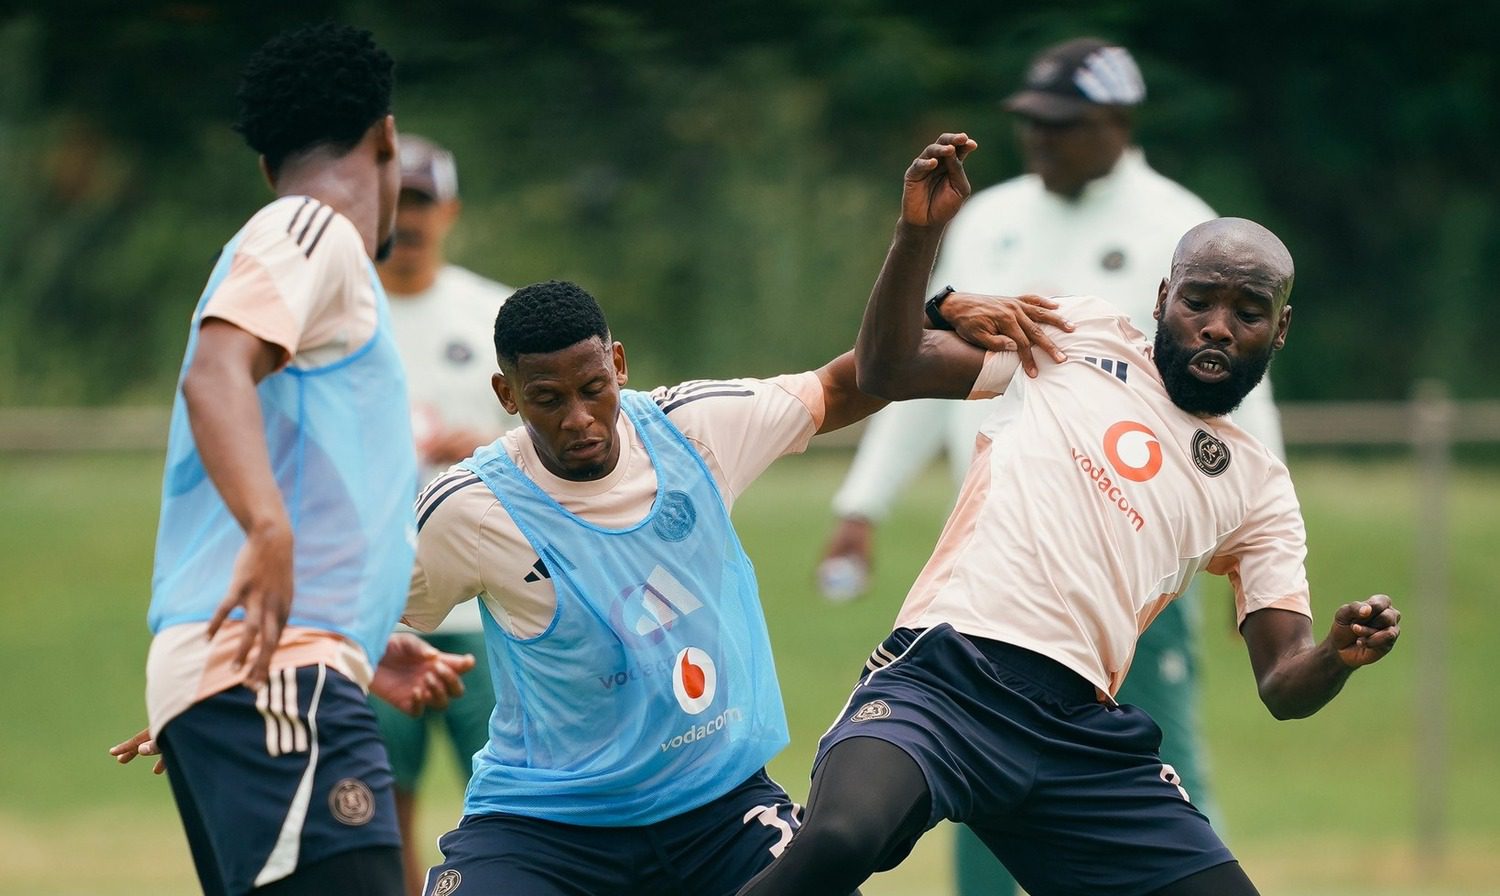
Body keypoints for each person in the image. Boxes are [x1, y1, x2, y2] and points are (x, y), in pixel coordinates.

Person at [737, 134, 1401, 896]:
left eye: (1248, 312)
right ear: (1163, 297)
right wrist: (919, 238)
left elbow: (1283, 682)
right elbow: (890, 367)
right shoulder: (1075, 336)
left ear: (1279, 330)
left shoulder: (1260, 487)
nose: (1218, 325)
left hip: (1078, 736)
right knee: (839, 838)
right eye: (1198, 301)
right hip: (946, 678)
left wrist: (1337, 655)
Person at [403, 278, 1060, 896]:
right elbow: (373, 602)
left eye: (593, 388)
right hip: (545, 827)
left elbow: (842, 385)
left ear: (619, 365)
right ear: (507, 394)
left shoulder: (692, 429)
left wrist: (936, 316)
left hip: (720, 813)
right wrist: (376, 653)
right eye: (548, 399)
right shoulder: (470, 508)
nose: (578, 418)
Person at [815, 39, 1280, 888]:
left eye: (1062, 124)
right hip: (1001, 554)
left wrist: (1252, 563)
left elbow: (1241, 405)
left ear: (1118, 123)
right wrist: (862, 503)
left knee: (1155, 774)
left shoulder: (1178, 224)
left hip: (1132, 568)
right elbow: (928, 367)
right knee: (969, 789)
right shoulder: (989, 217)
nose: (1040, 138)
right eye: (1031, 121)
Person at [110, 25, 474, 896]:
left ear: (266, 162)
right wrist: (268, 532)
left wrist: (356, 634)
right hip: (278, 676)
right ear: (385, 137)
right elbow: (214, 374)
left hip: (280, 667)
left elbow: (297, 460)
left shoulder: (303, 253)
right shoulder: (310, 227)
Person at [374, 133, 514, 896]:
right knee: (377, 805)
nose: (408, 221)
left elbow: (554, 438)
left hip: (487, 606)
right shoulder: (344, 315)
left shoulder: (492, 312)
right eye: (396, 203)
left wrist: (487, 447)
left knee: (504, 799)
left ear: (450, 211)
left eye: (422, 203)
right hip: (375, 606)